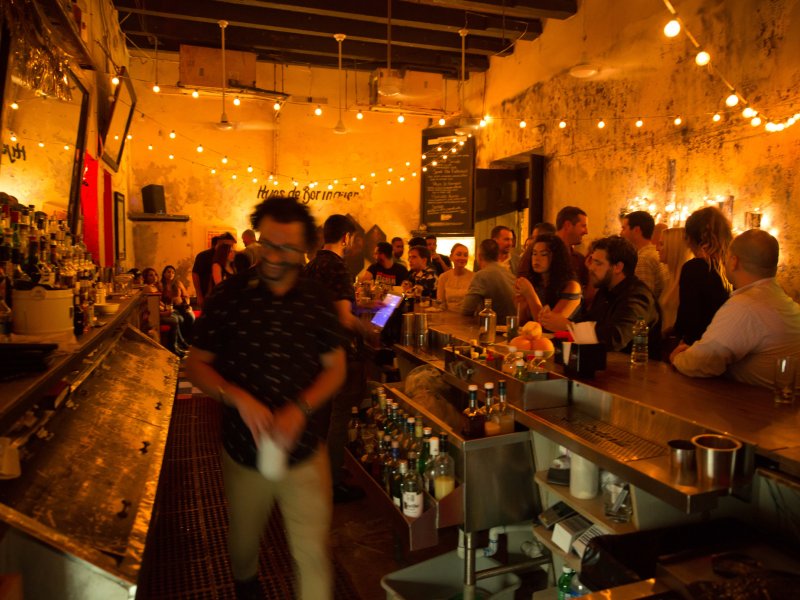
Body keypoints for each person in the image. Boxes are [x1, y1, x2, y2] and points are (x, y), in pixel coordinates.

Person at [185, 197, 346, 600]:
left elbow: (336, 369)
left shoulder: (316, 300)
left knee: (311, 554)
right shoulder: (229, 297)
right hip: (244, 451)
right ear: (257, 239)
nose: (276, 256)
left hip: (304, 451)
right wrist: (238, 397)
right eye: (269, 245)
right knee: (242, 547)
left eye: (288, 248)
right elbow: (196, 365)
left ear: (304, 250)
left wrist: (300, 408)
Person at [670, 229, 800, 388]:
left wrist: (679, 358)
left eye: (726, 257)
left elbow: (699, 363)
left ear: (734, 261)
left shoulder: (746, 306)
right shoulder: (783, 300)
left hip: (756, 408)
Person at [303, 214, 369, 504]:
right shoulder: (339, 267)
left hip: (312, 350)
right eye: (352, 238)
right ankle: (332, 481)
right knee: (338, 417)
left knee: (320, 417)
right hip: (334, 353)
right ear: (345, 238)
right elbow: (344, 317)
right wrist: (369, 331)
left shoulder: (313, 264)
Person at [540, 235, 660, 355]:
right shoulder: (606, 290)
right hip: (606, 365)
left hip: (635, 370)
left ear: (618, 267)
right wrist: (553, 323)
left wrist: (569, 327)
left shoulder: (637, 296)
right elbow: (589, 323)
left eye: (598, 263)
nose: (591, 268)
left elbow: (615, 338)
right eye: (592, 261)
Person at [673, 206, 732, 345]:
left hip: (702, 345)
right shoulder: (732, 268)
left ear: (690, 238)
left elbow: (688, 319)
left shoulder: (694, 269)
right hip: (729, 343)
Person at [515, 233, 581, 325]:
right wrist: (521, 304)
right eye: (534, 254)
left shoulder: (571, 286)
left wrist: (530, 294)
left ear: (556, 258)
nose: (536, 259)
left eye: (543, 254)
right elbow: (522, 324)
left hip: (565, 338)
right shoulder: (535, 282)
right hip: (536, 337)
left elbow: (548, 325)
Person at [461, 239, 517, 321]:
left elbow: (466, 310)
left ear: (479, 256)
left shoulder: (481, 275)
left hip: (493, 328)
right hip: (511, 328)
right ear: (498, 256)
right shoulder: (510, 274)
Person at [620, 210, 667, 298]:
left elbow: (643, 299)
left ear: (636, 230)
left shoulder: (643, 259)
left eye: (624, 228)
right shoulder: (654, 252)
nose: (621, 233)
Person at [143, 267, 188, 357]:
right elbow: (152, 308)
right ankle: (173, 348)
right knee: (174, 320)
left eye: (155, 274)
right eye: (150, 275)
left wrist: (166, 308)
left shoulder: (155, 286)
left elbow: (159, 303)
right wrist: (165, 312)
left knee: (179, 316)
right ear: (146, 277)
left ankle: (179, 344)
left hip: (160, 312)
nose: (154, 277)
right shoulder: (147, 288)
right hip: (154, 316)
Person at [657, 227, 692, 335]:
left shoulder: (687, 281)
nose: (657, 248)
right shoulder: (670, 278)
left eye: (662, 244)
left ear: (673, 248)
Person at [192, 232, 235, 309]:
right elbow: (195, 274)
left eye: (232, 246)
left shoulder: (230, 259)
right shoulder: (204, 256)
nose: (231, 249)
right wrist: (199, 295)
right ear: (221, 243)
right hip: (209, 294)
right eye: (229, 246)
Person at [161, 264, 195, 344]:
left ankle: (190, 339)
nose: (171, 274)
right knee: (180, 319)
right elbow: (159, 299)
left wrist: (187, 305)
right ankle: (182, 340)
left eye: (173, 272)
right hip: (171, 308)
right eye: (168, 272)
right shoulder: (161, 285)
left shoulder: (178, 283)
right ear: (164, 273)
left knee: (191, 317)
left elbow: (186, 296)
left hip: (182, 306)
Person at [556, 206, 589, 286]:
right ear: (568, 225)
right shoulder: (542, 250)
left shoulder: (579, 259)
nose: (586, 231)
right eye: (583, 226)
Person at [437, 243, 474, 313]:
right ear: (451, 257)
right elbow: (441, 304)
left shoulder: (474, 277)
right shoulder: (443, 277)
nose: (462, 258)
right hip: (447, 319)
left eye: (465, 255)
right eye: (459, 254)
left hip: (468, 318)